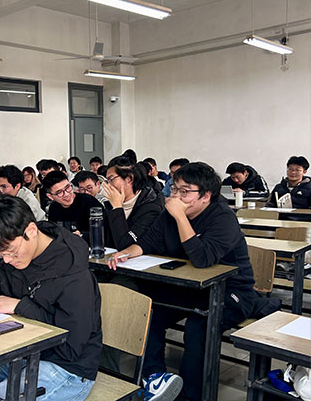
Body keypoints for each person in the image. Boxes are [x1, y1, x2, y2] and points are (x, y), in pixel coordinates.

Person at [108, 162, 280, 401]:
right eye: (174, 189)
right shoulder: (169, 215)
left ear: (206, 196)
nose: (176, 197)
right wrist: (127, 253)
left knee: (199, 326)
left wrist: (180, 217)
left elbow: (202, 258)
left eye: (185, 192)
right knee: (149, 311)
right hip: (192, 288)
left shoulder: (223, 218)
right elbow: (147, 242)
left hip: (231, 290)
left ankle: (191, 395)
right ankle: (155, 379)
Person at [0, 195, 102, 401]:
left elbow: (70, 347)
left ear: (32, 231)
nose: (6, 260)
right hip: (19, 353)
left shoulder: (74, 275)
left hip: (68, 369)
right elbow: (12, 291)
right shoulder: (18, 251)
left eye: (11, 252)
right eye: (0, 255)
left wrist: (20, 306)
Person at [103, 163, 164, 250]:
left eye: (111, 179)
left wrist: (117, 208)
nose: (109, 185)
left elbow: (125, 245)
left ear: (129, 179)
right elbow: (104, 236)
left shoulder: (151, 208)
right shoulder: (111, 203)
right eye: (107, 181)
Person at [43, 170, 103, 244]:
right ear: (50, 196)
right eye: (59, 192)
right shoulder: (53, 208)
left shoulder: (90, 202)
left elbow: (103, 232)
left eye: (67, 187)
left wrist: (82, 236)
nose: (66, 194)